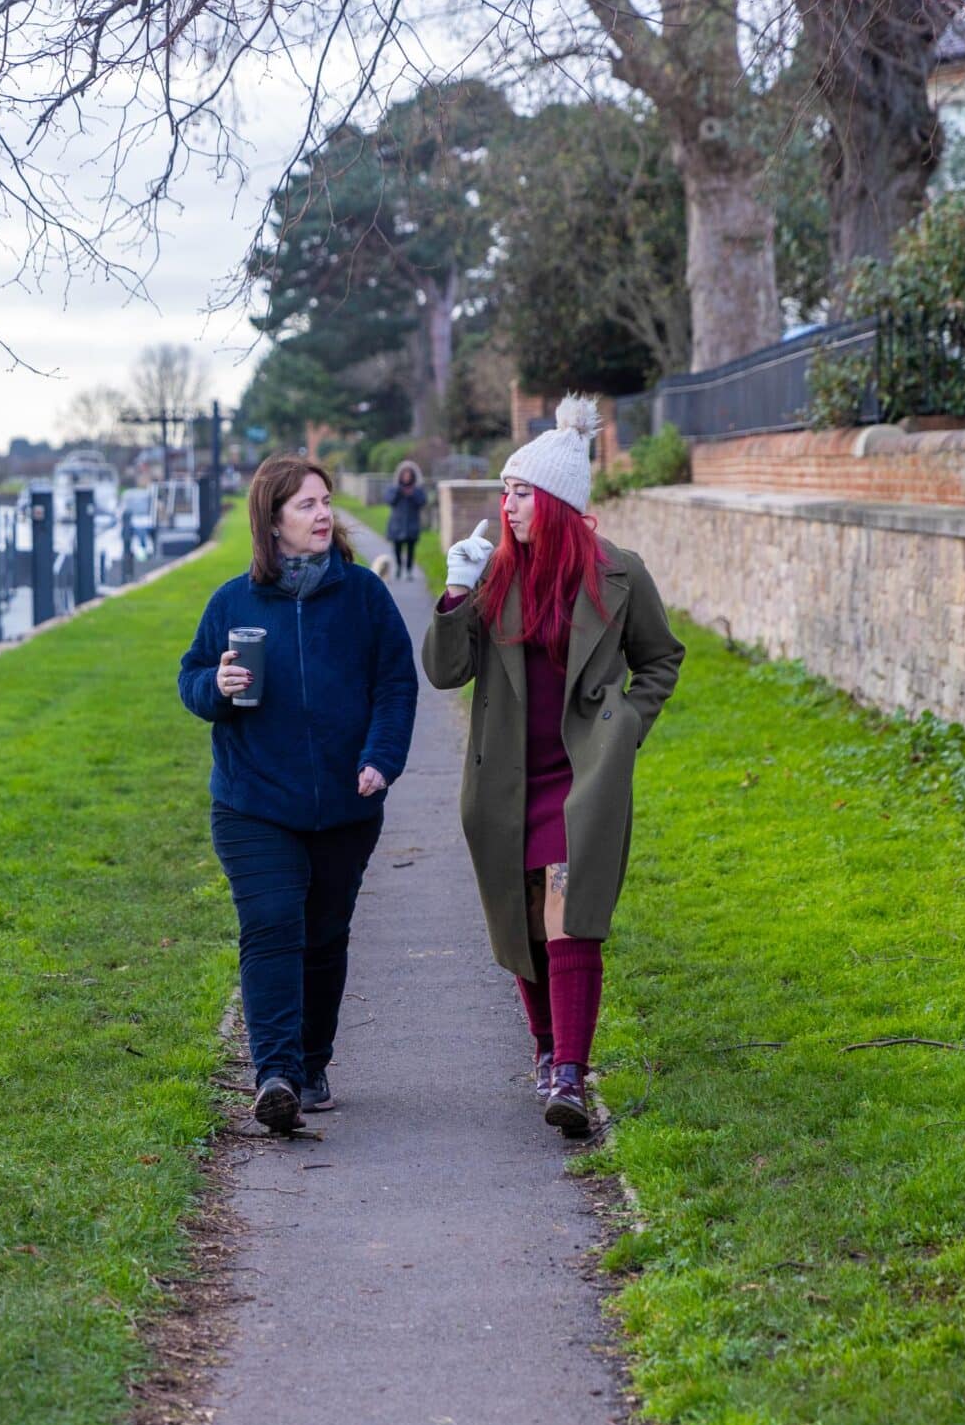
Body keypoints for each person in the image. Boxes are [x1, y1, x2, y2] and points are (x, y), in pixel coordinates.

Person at [420, 398, 684, 1138]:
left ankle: (569, 1071)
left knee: (570, 920)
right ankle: (544, 1051)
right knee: (525, 923)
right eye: (504, 491)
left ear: (561, 504)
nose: (507, 506)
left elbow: (661, 658)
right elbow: (446, 673)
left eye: (521, 492)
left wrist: (628, 724)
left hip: (582, 777)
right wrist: (453, 596)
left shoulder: (619, 575)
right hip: (507, 778)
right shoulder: (493, 575)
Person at [179, 452, 419, 1134]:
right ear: (272, 521)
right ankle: (276, 1074)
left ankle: (312, 1063)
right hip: (253, 801)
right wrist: (215, 689)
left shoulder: (363, 597)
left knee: (324, 933)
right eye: (306, 505)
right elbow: (192, 678)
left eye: (326, 501)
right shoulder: (233, 600)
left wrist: (382, 758)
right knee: (273, 923)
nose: (324, 515)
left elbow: (396, 685)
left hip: (347, 803)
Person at [383, 460, 427, 578]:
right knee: (397, 548)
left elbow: (422, 501)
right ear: (401, 475)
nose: (407, 477)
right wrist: (399, 491)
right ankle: (398, 567)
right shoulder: (394, 488)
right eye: (404, 474)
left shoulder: (417, 489)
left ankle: (409, 571)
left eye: (409, 474)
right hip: (397, 524)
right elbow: (389, 500)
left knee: (411, 549)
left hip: (412, 524)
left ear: (412, 476)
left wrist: (412, 494)